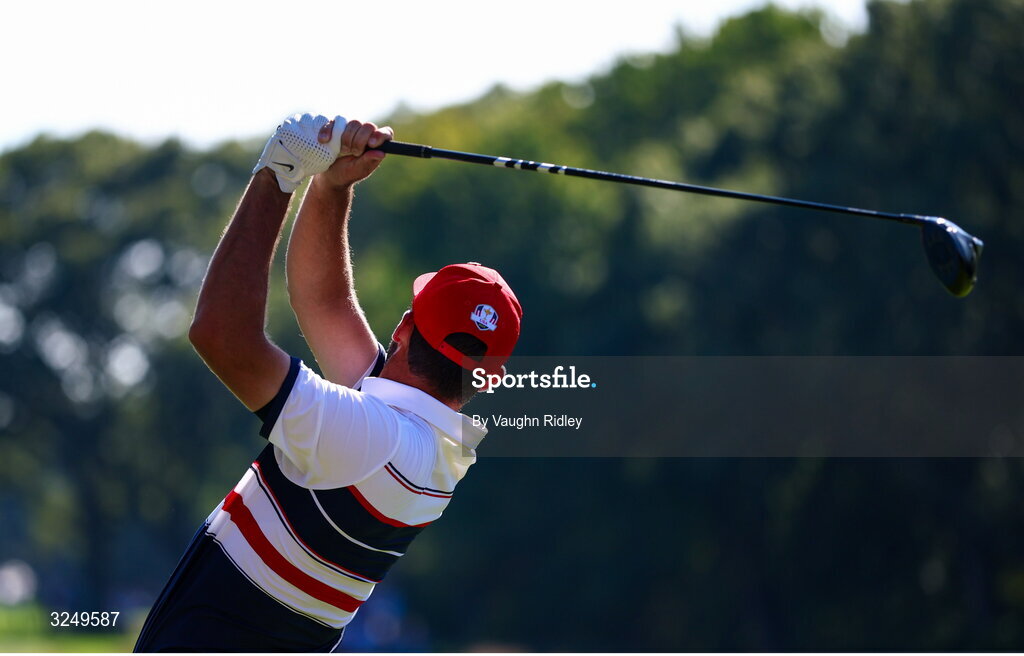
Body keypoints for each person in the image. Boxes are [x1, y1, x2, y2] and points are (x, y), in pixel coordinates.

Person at [133, 114, 523, 652]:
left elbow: (221, 335)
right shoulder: (428, 446)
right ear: (490, 376)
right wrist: (333, 184)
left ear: (404, 328)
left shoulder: (367, 436)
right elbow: (325, 301)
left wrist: (279, 173)